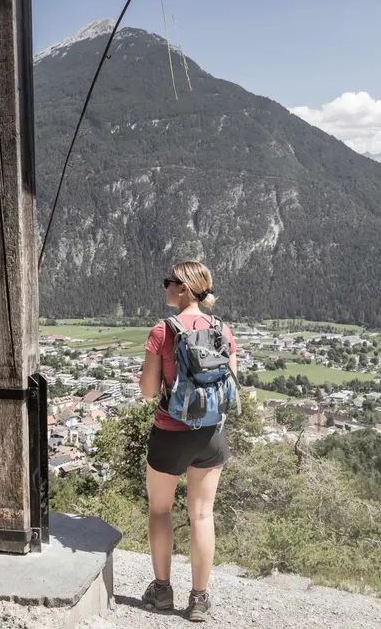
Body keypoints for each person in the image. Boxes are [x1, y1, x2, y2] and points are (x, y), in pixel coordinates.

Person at [137, 261, 237, 622]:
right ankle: (198, 599)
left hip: (170, 433)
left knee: (160, 510)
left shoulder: (163, 331)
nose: (165, 286)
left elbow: (150, 392)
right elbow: (231, 384)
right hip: (211, 436)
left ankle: (162, 591)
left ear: (183, 289)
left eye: (170, 281)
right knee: (202, 514)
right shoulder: (223, 330)